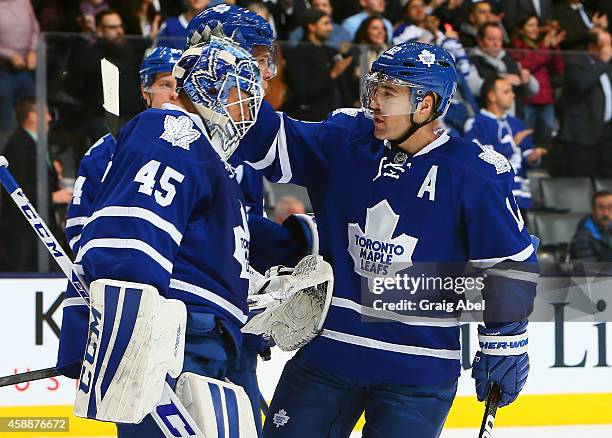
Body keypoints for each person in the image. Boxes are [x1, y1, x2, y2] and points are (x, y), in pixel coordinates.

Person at [234, 42, 537, 437]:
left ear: (426, 104)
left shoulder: (473, 174)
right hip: (329, 357)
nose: (374, 102)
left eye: (389, 93)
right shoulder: (346, 139)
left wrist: (505, 338)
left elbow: (509, 263)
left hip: (417, 372)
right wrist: (232, 85)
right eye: (374, 89)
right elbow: (270, 141)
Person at [71, 35, 263, 437]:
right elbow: (131, 236)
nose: (245, 108)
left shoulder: (208, 154)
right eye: (237, 93)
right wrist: (128, 333)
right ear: (208, 87)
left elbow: (213, 241)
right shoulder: (172, 129)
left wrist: (292, 247)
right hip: (175, 339)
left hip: (210, 340)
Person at [56, 46, 184, 384]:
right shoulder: (107, 150)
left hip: (185, 305)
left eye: (180, 87)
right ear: (145, 90)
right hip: (133, 299)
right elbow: (80, 227)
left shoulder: (200, 150)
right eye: (166, 84)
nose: (174, 94)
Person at [0, 97, 73, 271]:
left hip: (43, 226)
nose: (49, 118)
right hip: (24, 231)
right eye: (46, 113)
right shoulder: (18, 145)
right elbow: (14, 188)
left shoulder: (39, 143)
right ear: (32, 116)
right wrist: (52, 197)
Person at [464, 77, 547, 211]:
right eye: (506, 92)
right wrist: (512, 145)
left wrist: (533, 156)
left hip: (520, 198)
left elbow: (526, 155)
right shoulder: (476, 123)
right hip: (493, 198)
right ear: (492, 96)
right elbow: (480, 158)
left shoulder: (517, 123)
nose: (512, 95)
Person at [557, 30, 612, 177]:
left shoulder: (607, 66)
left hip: (606, 132)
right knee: (581, 177)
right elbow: (582, 84)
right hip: (582, 135)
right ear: (591, 47)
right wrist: (602, 62)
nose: (609, 50)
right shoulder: (575, 62)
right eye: (605, 45)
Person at [283, 9, 353, 121]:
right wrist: (333, 74)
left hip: (336, 115)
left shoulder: (330, 52)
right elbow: (303, 91)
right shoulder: (297, 54)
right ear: (312, 27)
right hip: (310, 117)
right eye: (325, 24)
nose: (330, 28)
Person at [510, 15, 564, 146]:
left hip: (546, 97)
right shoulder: (516, 46)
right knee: (526, 134)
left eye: (536, 25)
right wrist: (545, 47)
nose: (535, 29)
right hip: (528, 99)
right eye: (530, 25)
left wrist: (554, 47)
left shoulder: (541, 45)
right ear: (521, 30)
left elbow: (558, 68)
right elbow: (526, 65)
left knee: (547, 133)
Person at [469, 22, 539, 119]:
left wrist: (529, 80)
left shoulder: (509, 59)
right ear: (480, 40)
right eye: (492, 39)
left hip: (515, 119)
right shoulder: (471, 61)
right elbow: (472, 88)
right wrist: (502, 81)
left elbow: (534, 91)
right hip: (487, 120)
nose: (496, 44)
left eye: (499, 40)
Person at [0, 0, 39, 145]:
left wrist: (33, 50)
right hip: (3, 70)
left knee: (31, 112)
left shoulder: (24, 2)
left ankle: (32, 154)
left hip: (26, 69)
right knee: (5, 122)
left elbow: (35, 29)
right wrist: (10, 55)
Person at [571, 191, 612, 261]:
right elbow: (590, 269)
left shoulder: (609, 228)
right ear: (593, 209)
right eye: (601, 208)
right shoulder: (582, 237)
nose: (606, 213)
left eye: (610, 207)